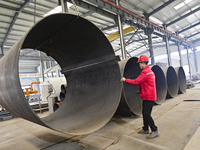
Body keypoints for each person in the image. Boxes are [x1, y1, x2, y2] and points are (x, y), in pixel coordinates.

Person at [121, 55, 159, 139]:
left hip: (149, 97)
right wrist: (141, 91)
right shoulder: (149, 71)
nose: (139, 65)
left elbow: (136, 81)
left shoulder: (145, 72)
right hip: (149, 96)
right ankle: (145, 128)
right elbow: (147, 84)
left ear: (143, 63)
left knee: (146, 114)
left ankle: (154, 130)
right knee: (145, 113)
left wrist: (125, 80)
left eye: (139, 63)